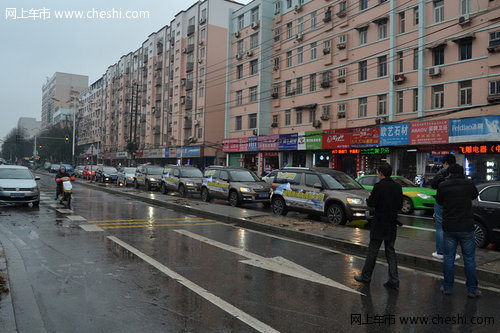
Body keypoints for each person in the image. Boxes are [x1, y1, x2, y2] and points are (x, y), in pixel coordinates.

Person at [354, 162, 403, 290]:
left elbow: (371, 203)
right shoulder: (397, 187)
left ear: (380, 173)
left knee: (373, 251)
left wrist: (369, 198)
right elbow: (399, 206)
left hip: (379, 223)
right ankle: (394, 280)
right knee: (390, 252)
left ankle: (366, 277)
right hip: (392, 223)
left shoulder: (378, 186)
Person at [436, 164, 480, 298]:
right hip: (466, 227)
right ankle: (472, 289)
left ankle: (447, 287)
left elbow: (439, 201)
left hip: (450, 227)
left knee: (449, 258)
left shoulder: (443, 185)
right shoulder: (469, 184)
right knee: (469, 259)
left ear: (449, 173)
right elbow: (474, 195)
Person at [431, 154, 459, 260]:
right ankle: (453, 252)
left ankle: (441, 252)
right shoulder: (460, 172)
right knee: (454, 227)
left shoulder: (441, 173)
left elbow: (433, 185)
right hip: (455, 203)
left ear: (445, 163)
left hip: (441, 202)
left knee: (440, 227)